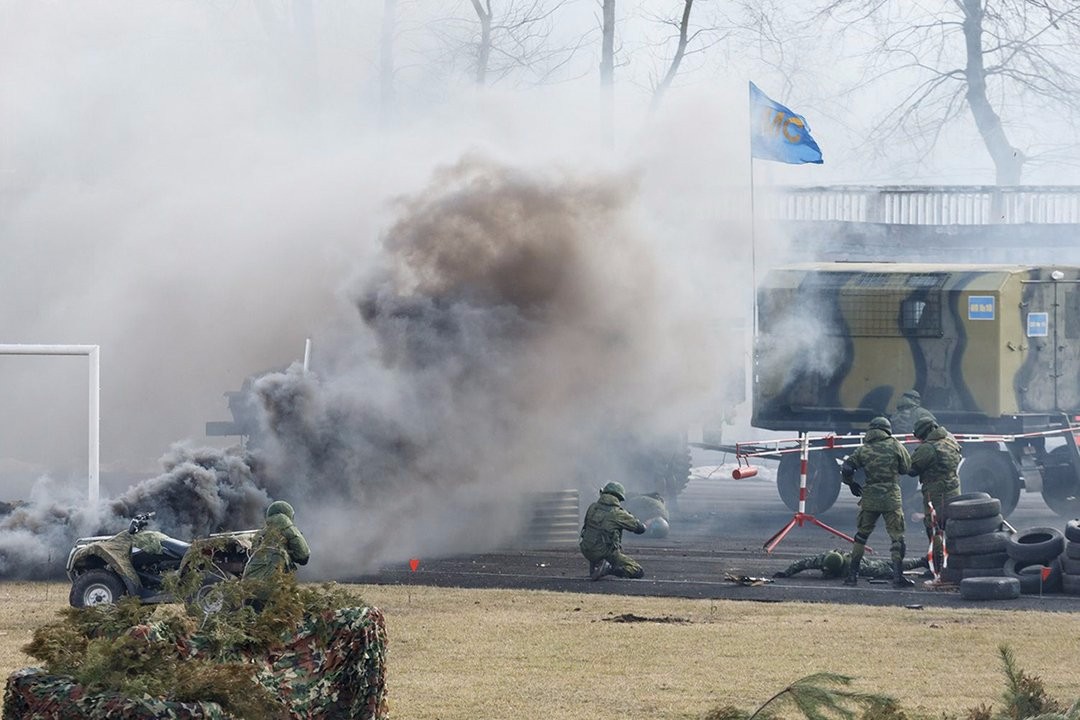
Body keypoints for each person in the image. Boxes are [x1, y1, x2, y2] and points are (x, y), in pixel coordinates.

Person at [839, 416, 914, 588]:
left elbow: (847, 467)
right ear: (887, 429)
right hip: (891, 497)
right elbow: (906, 468)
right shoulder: (895, 445)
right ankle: (897, 577)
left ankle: (852, 576)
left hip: (870, 495)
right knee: (897, 538)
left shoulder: (864, 449)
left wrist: (850, 483)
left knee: (861, 536)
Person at [907, 416, 962, 574]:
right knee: (949, 527)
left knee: (934, 529)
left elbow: (911, 469)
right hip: (954, 488)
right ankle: (950, 563)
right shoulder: (950, 438)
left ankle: (937, 567)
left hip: (935, 492)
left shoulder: (928, 448)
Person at [579, 481, 647, 580]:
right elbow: (640, 529)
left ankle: (596, 566)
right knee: (637, 570)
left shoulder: (593, 507)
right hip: (604, 552)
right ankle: (608, 569)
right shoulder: (617, 513)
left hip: (586, 549)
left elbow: (588, 527)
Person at [242, 500, 310, 584]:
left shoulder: (260, 535)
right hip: (276, 586)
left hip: (249, 587)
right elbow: (303, 556)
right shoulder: (290, 531)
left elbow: (254, 553)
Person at [773, 549, 928, 580]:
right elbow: (801, 564)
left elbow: (884, 570)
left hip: (864, 562)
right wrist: (786, 573)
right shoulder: (821, 559)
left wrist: (893, 577)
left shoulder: (859, 567)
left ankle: (922, 562)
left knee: (892, 566)